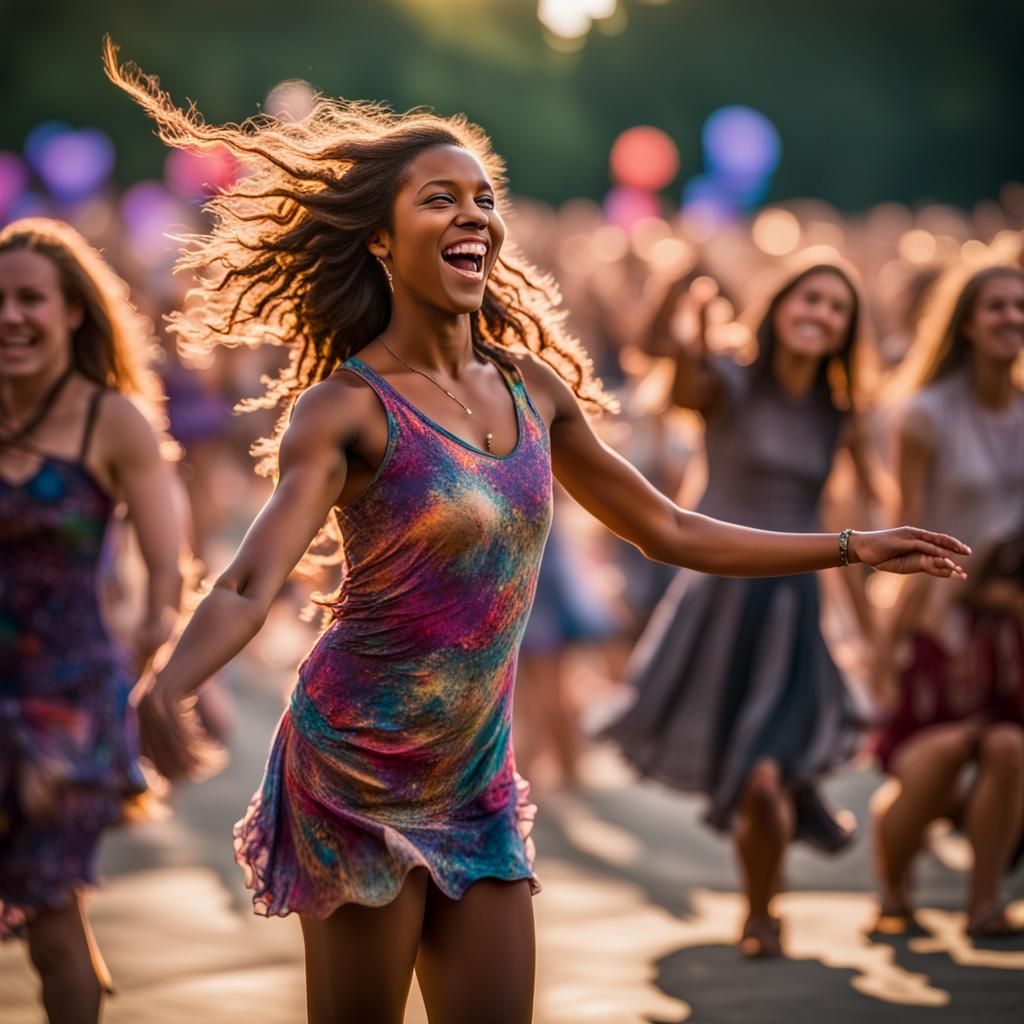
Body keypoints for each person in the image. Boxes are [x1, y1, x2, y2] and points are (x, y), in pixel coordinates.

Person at [104, 43, 970, 1024]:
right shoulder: (345, 410)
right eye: (439, 198)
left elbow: (672, 527)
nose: (472, 215)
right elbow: (248, 583)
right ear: (381, 239)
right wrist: (170, 682)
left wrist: (851, 545)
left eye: (482, 198)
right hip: (356, 769)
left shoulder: (534, 391)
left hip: (474, 780)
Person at [604, 259, 882, 958]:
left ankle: (763, 909)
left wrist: (872, 629)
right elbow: (682, 381)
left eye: (836, 307)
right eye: (808, 299)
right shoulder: (728, 376)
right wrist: (689, 330)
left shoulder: (839, 410)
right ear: (779, 304)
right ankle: (769, 892)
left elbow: (846, 514)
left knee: (766, 772)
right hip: (722, 597)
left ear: (848, 328)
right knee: (756, 768)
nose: (819, 313)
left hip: (794, 604)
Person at [0, 217, 183, 1024]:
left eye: (31, 299)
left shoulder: (112, 422)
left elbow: (165, 574)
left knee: (48, 916)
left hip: (67, 706)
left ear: (73, 311)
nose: (11, 317)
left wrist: (145, 663)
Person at [871, 263, 1024, 938]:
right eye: (996, 307)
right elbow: (904, 527)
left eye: (1021, 306)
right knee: (939, 758)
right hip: (938, 619)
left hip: (1012, 627)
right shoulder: (925, 415)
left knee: (1009, 751)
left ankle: (983, 903)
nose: (1012, 318)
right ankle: (894, 890)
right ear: (965, 321)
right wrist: (886, 645)